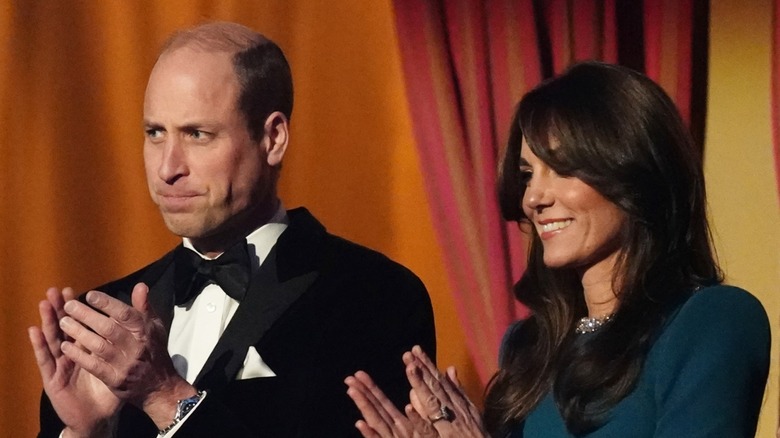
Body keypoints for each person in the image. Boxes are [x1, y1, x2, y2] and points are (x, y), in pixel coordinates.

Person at [28, 21, 435, 437]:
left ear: (273, 138)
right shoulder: (100, 323)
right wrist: (86, 432)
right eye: (155, 133)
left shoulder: (376, 298)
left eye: (197, 134)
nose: (167, 169)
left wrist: (166, 397)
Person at [345, 61, 770, 437]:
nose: (533, 198)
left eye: (563, 168)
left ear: (637, 175)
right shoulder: (529, 346)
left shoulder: (711, 322)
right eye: (528, 174)